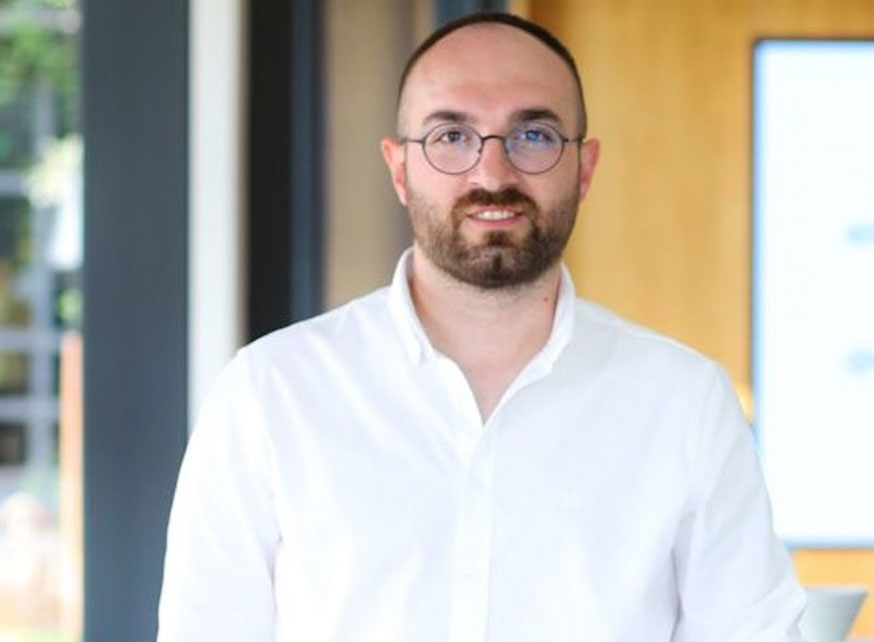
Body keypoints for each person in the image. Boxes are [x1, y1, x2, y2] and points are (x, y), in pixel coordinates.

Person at [158, 12, 806, 642]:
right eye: (451, 136)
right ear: (399, 168)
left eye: (534, 136)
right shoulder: (270, 394)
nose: (492, 175)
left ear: (584, 168)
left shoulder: (685, 404)